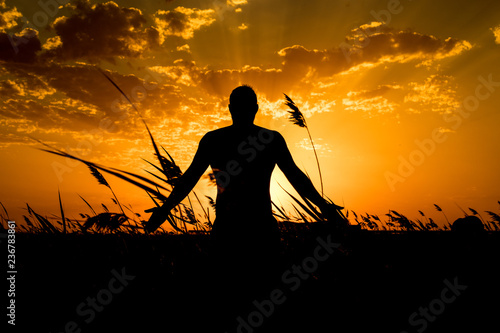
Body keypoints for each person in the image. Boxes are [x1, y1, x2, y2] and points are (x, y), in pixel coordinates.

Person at [144, 85, 345, 328]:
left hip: (230, 230)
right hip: (259, 230)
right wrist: (324, 207)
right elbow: (296, 177)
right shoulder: (270, 140)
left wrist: (166, 208)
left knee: (228, 298)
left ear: (231, 108)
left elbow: (189, 178)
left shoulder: (214, 140)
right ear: (256, 109)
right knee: (264, 297)